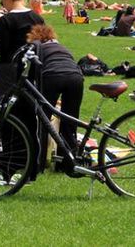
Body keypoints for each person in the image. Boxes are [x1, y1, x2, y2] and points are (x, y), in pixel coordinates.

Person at [28, 23, 84, 173]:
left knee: (43, 121)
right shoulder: (62, 47)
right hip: (75, 78)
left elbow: (32, 75)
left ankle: (39, 163)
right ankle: (67, 164)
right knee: (70, 122)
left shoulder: (37, 48)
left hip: (51, 76)